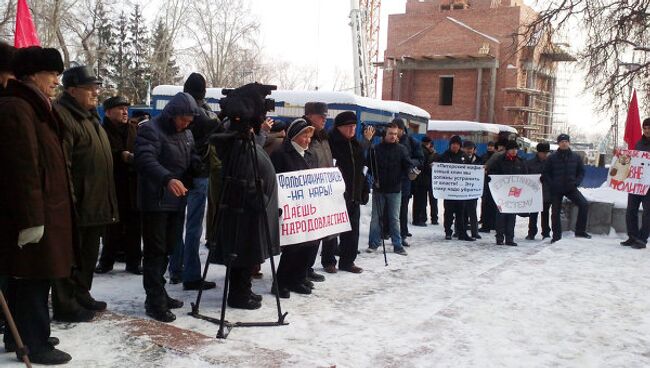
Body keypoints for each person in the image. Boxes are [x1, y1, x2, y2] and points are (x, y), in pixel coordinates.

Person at [0, 46, 74, 365]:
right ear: (32, 74)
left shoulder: (37, 105)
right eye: (52, 74)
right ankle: (34, 341)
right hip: (33, 213)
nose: (56, 81)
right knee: (32, 277)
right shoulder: (19, 107)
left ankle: (22, 335)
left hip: (47, 208)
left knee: (33, 276)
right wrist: (31, 219)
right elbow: (23, 167)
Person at [52, 65, 118, 322]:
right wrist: (70, 201)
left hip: (96, 202)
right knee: (71, 258)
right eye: (89, 88)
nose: (95, 92)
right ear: (71, 90)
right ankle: (65, 304)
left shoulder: (90, 117)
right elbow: (63, 165)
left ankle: (82, 293)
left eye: (96, 87)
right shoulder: (63, 117)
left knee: (89, 254)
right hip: (78, 203)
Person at [208, 82, 281, 310]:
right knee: (242, 251)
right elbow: (244, 175)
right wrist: (259, 199)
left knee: (247, 252)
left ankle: (244, 290)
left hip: (251, 207)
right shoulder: (235, 142)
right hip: (246, 207)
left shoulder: (245, 140)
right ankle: (239, 295)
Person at [135, 92, 202, 322]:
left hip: (176, 200)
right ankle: (154, 301)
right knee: (155, 252)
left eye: (190, 120)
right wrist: (167, 178)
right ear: (173, 114)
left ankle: (160, 292)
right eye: (184, 119)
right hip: (156, 201)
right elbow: (144, 159)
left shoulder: (187, 133)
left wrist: (197, 166)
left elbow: (191, 156)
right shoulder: (151, 130)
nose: (187, 124)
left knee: (168, 249)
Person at [168, 73, 218, 291]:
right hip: (198, 173)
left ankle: (175, 270)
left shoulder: (173, 108)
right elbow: (214, 123)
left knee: (177, 224)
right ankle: (191, 275)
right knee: (193, 226)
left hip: (177, 172)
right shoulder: (201, 112)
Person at [271, 119, 318, 297]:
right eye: (304, 135)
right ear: (294, 136)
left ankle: (297, 279)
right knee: (293, 247)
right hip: (290, 208)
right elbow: (275, 180)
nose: (307, 140)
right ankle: (281, 282)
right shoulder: (281, 154)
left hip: (307, 208)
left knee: (308, 244)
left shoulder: (310, 155)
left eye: (309, 136)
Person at [95, 96, 142, 275]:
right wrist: (119, 155)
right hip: (112, 184)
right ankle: (106, 261)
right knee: (111, 227)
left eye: (126, 108)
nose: (124, 112)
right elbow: (99, 155)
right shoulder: (101, 130)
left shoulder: (133, 129)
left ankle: (134, 262)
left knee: (134, 226)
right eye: (120, 108)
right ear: (108, 112)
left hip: (132, 185)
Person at [323, 111, 369, 273]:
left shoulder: (357, 145)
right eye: (348, 126)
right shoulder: (330, 143)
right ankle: (328, 261)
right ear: (339, 127)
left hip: (354, 195)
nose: (352, 129)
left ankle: (347, 261)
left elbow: (362, 169)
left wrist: (365, 189)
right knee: (332, 231)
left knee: (352, 231)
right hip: (336, 196)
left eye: (354, 126)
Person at [366, 123, 414, 255]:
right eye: (390, 133)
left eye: (395, 133)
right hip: (379, 188)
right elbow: (369, 165)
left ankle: (397, 245)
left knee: (394, 218)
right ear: (385, 134)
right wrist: (373, 178)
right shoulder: (376, 148)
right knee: (376, 218)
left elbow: (408, 164)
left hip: (395, 189)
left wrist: (411, 171)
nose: (393, 136)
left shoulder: (401, 149)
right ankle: (373, 243)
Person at [544, 134, 591, 243]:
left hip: (571, 187)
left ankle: (580, 231)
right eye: (561, 141)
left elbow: (581, 172)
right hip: (556, 189)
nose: (564, 143)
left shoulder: (576, 157)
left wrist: (576, 182)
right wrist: (552, 184)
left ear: (569, 143)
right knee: (555, 212)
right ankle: (556, 235)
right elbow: (546, 173)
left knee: (584, 204)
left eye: (566, 141)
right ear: (558, 143)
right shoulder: (552, 157)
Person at [303, 102, 331, 281]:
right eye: (321, 116)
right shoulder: (304, 133)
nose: (324, 119)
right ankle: (301, 269)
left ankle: (308, 266)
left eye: (326, 116)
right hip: (308, 192)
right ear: (310, 115)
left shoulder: (322, 136)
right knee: (307, 235)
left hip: (322, 191)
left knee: (317, 234)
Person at [490, 141, 528, 246]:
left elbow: (526, 176)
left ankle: (510, 238)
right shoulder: (499, 160)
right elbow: (492, 172)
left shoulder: (521, 162)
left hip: (514, 193)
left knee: (512, 216)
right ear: (507, 150)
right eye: (512, 149)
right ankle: (499, 238)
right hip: (501, 193)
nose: (514, 151)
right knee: (501, 216)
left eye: (516, 149)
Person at [393, 118, 423, 246]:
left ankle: (402, 234)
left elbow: (421, 160)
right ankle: (386, 232)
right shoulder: (389, 139)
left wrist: (408, 162)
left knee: (402, 209)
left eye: (396, 130)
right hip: (390, 179)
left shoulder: (412, 142)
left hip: (404, 180)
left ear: (401, 129)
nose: (393, 132)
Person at [622, 118, 650, 249]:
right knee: (631, 210)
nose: (647, 130)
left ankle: (642, 239)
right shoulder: (639, 143)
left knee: (647, 212)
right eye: (645, 128)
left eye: (649, 128)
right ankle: (632, 236)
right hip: (636, 183)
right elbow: (632, 161)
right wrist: (620, 156)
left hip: (649, 186)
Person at [439, 135, 473, 241]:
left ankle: (461, 233)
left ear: (460, 146)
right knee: (448, 212)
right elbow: (438, 168)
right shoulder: (444, 155)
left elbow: (471, 171)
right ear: (450, 145)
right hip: (449, 191)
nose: (455, 146)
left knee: (461, 213)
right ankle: (448, 232)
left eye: (457, 144)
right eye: (453, 144)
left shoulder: (464, 156)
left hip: (460, 191)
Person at [526, 142, 552, 240]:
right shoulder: (530, 163)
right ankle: (531, 232)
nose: (545, 155)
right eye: (543, 153)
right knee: (533, 214)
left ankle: (546, 233)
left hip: (547, 192)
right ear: (538, 152)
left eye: (547, 153)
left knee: (545, 213)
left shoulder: (551, 163)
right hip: (534, 192)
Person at [412, 136, 438, 226]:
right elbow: (423, 165)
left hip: (418, 180)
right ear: (429, 143)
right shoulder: (425, 152)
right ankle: (419, 219)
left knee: (419, 200)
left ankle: (419, 218)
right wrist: (429, 167)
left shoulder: (419, 150)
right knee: (421, 201)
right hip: (423, 180)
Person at [462, 140, 482, 239]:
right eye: (467, 148)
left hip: (473, 190)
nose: (469, 150)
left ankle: (475, 232)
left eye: (471, 148)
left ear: (474, 150)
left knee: (473, 212)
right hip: (461, 190)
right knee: (461, 212)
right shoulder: (460, 158)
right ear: (463, 149)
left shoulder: (479, 160)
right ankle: (460, 231)